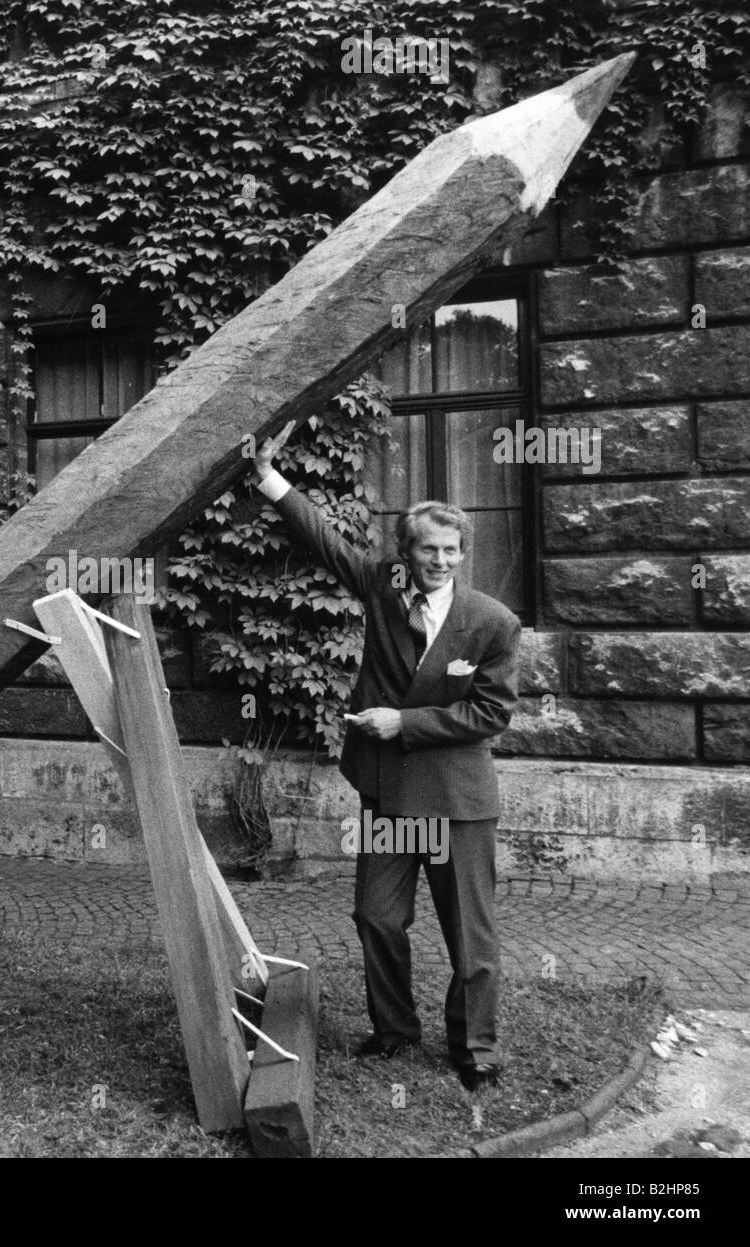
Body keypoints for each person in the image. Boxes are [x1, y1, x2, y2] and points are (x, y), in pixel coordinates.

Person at [253, 420, 520, 1090]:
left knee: (471, 937)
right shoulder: (383, 587)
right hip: (390, 794)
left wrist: (403, 720)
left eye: (451, 550)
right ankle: (396, 1029)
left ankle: (476, 1047)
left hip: (458, 801)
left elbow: (490, 712)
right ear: (408, 551)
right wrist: (268, 476)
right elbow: (324, 540)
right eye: (429, 548)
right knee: (376, 914)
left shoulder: (491, 622)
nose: (440, 560)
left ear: (464, 553)